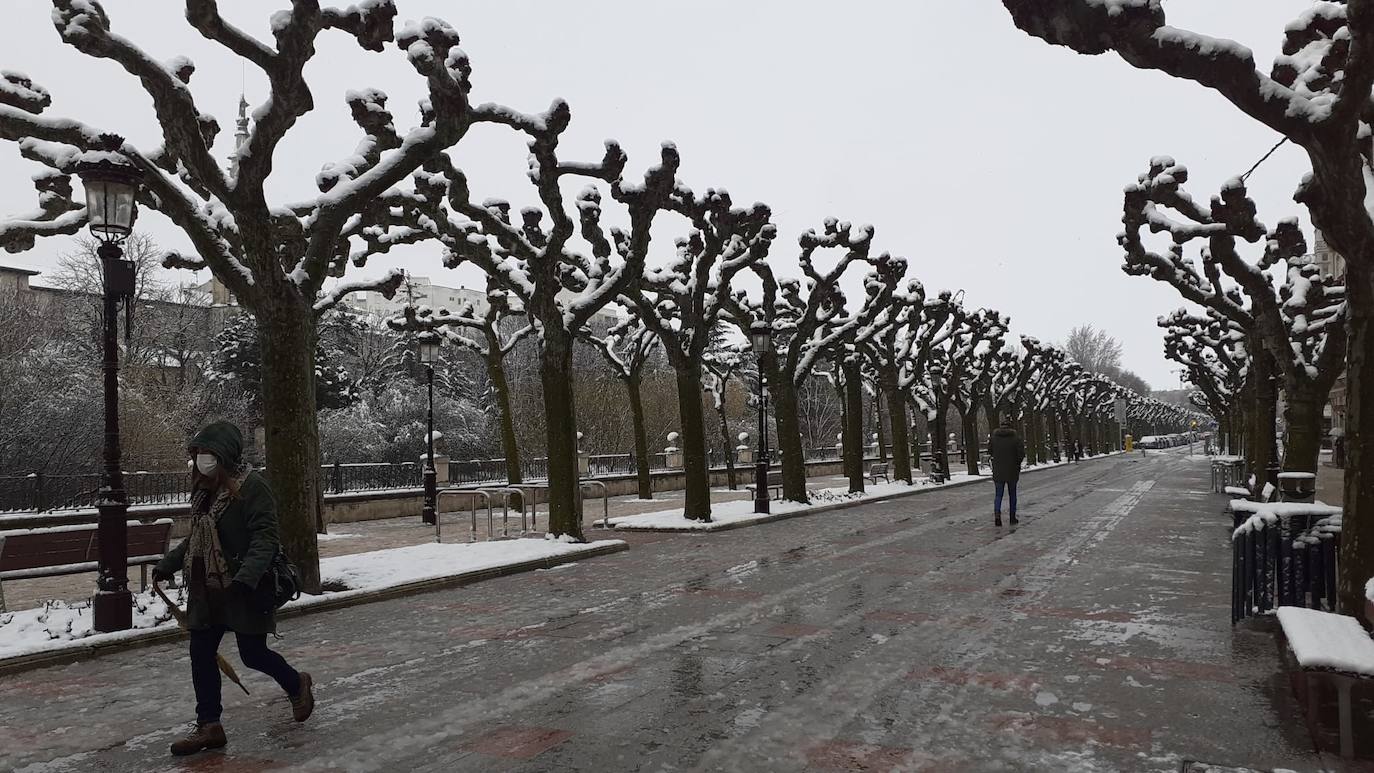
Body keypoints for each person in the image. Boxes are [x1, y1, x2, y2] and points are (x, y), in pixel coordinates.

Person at [151, 421, 315, 756]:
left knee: (252, 654)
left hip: (243, 587)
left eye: (208, 454)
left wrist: (245, 580)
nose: (201, 460)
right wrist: (167, 564)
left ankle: (296, 683)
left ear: (224, 456)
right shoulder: (203, 491)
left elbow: (266, 538)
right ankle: (209, 725)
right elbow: (196, 537)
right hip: (206, 587)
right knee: (201, 652)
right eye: (197, 453)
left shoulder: (253, 487)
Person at [988, 419, 1025, 526]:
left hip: (998, 470)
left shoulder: (994, 438)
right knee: (1012, 494)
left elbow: (990, 451)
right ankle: (1012, 517)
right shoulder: (1016, 438)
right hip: (1012, 470)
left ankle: (997, 516)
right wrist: (1016, 463)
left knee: (998, 495)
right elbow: (1021, 454)